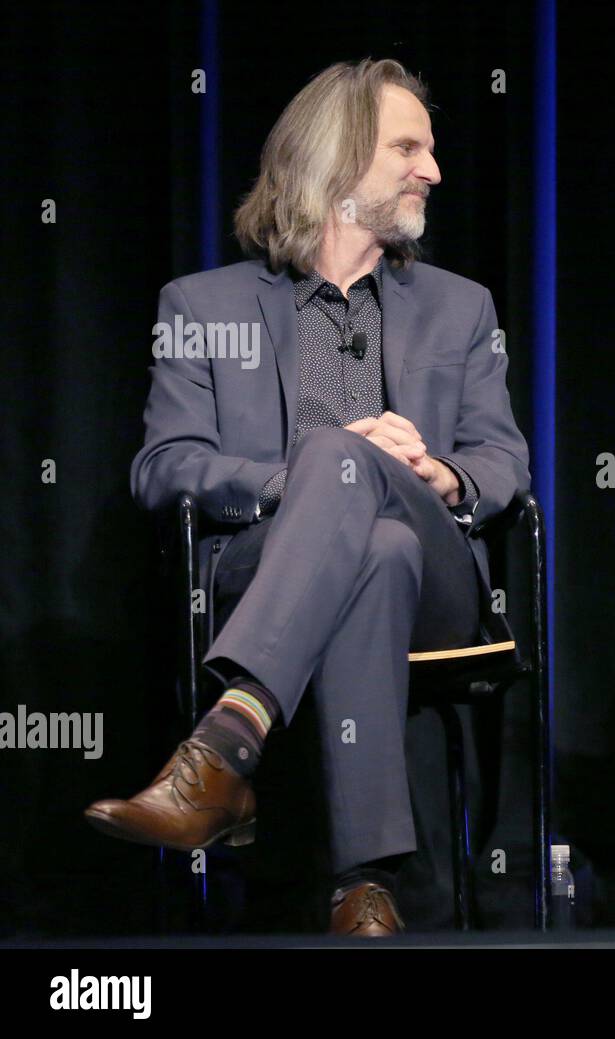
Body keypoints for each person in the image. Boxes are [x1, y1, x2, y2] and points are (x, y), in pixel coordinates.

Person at [84, 58, 530, 937]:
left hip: (440, 581)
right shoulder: (202, 302)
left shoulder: (459, 306)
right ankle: (363, 887)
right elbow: (163, 465)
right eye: (408, 147)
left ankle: (224, 749)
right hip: (273, 571)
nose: (432, 170)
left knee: (392, 520)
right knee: (374, 542)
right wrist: (306, 475)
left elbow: (504, 461)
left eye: (430, 150)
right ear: (338, 158)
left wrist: (439, 474)